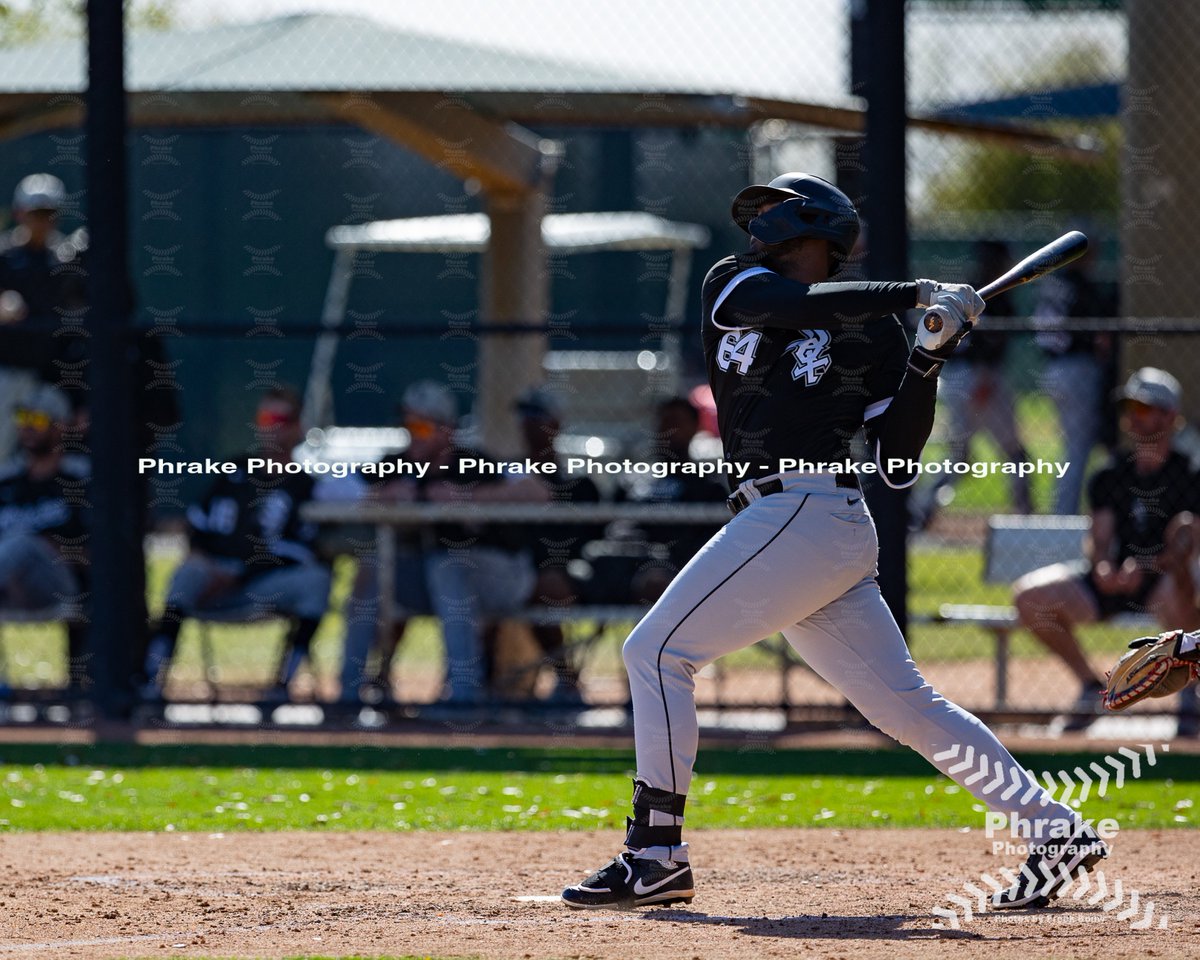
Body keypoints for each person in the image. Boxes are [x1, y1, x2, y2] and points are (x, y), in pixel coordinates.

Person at [561, 172, 1105, 912]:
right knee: (906, 710)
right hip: (788, 524)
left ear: (819, 229)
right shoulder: (736, 281)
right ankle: (1055, 828)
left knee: (655, 652)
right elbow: (790, 306)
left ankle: (654, 850)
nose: (758, 228)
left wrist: (927, 357)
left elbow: (899, 462)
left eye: (774, 215)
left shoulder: (874, 330)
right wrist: (915, 293)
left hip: (814, 514)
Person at [1013, 368, 1200, 730]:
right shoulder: (1111, 472)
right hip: (1113, 582)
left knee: (1181, 590)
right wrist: (1101, 567)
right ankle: (1089, 686)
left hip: (1164, 583)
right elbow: (1100, 539)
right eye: (1131, 409)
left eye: (1145, 409)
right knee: (1030, 599)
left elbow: (1188, 542)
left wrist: (1144, 566)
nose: (1134, 418)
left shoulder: (1190, 474)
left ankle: (1189, 694)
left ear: (1170, 416)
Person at [139, 387, 332, 702]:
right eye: (264, 418)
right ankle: (149, 678)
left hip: (262, 582)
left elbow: (297, 551)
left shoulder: (304, 484)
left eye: (280, 419)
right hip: (213, 578)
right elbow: (197, 527)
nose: (270, 427)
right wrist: (205, 562)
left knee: (317, 581)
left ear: (298, 427)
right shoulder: (233, 472)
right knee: (187, 572)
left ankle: (282, 683)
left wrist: (241, 574)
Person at [909, 240, 1032, 530]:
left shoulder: (964, 292)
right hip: (980, 379)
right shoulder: (998, 297)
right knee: (1015, 454)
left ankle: (920, 510)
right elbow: (988, 349)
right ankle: (1027, 516)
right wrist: (985, 380)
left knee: (959, 456)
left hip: (952, 378)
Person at [0, 386, 89, 690]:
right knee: (16, 544)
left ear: (60, 426)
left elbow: (101, 553)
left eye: (37, 419)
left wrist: (58, 549)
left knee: (22, 542)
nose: (26, 426)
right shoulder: (7, 480)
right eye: (22, 416)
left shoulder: (81, 478)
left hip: (63, 586)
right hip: (7, 586)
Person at [0, 174, 87, 460]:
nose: (42, 221)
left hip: (55, 378)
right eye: (35, 213)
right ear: (19, 213)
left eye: (49, 213)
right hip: (10, 374)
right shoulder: (4, 256)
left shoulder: (68, 258)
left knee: (53, 456)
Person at [1032, 238, 1117, 515]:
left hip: (1053, 368)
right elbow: (1100, 338)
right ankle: (1063, 513)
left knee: (1075, 445)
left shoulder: (1053, 282)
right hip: (1078, 367)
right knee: (1078, 448)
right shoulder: (1081, 284)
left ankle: (1065, 510)